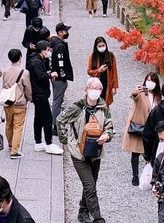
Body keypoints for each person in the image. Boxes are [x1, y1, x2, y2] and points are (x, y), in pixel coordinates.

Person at [57, 77, 114, 223]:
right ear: (86, 89)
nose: (94, 91)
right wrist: (66, 140)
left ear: (101, 91)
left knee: (91, 184)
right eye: (92, 87)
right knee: (90, 186)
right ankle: (97, 218)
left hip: (95, 152)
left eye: (98, 88)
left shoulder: (103, 108)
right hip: (78, 153)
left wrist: (106, 136)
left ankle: (82, 212)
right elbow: (60, 120)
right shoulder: (77, 107)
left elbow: (109, 127)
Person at [122, 72, 162, 186]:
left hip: (152, 127)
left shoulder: (158, 97)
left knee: (150, 151)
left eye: (153, 80)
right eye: (148, 80)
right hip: (139, 124)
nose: (150, 82)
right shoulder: (141, 92)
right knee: (135, 151)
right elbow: (134, 96)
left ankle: (149, 174)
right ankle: (135, 175)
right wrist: (135, 91)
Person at [26, 40, 63, 155]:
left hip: (39, 93)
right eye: (47, 50)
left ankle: (38, 142)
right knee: (47, 119)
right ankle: (49, 143)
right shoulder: (36, 62)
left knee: (38, 118)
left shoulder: (38, 59)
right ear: (42, 50)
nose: (49, 52)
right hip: (39, 94)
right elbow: (41, 76)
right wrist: (50, 74)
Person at [1, 49, 32, 159]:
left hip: (8, 102)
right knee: (18, 127)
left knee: (8, 125)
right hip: (19, 102)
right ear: (20, 57)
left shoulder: (5, 71)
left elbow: (4, 86)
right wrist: (29, 98)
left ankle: (10, 144)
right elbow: (27, 88)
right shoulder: (24, 72)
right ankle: (15, 151)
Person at [49, 23, 74, 134]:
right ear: (60, 32)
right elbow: (60, 63)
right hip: (59, 77)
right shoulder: (59, 46)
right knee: (57, 102)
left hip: (56, 76)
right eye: (65, 31)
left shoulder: (55, 43)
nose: (67, 32)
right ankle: (56, 126)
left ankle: (57, 123)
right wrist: (63, 75)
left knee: (57, 101)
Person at [86, 37, 118, 106]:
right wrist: (98, 70)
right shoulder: (92, 56)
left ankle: (105, 115)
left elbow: (114, 71)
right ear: (96, 47)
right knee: (95, 103)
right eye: (99, 46)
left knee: (106, 103)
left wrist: (114, 87)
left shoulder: (111, 55)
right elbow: (89, 71)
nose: (102, 47)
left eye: (103, 45)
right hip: (96, 84)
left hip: (107, 82)